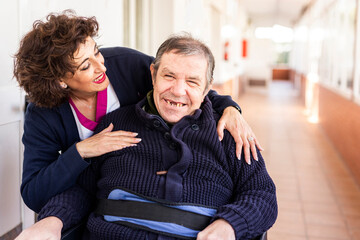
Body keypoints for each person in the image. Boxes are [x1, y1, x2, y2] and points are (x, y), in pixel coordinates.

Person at [16, 34, 277, 240]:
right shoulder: (111, 127)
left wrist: (229, 225)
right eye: (169, 76)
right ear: (153, 75)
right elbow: (80, 191)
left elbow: (262, 193)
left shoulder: (228, 135)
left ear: (208, 88)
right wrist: (52, 221)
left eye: (193, 82)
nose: (177, 90)